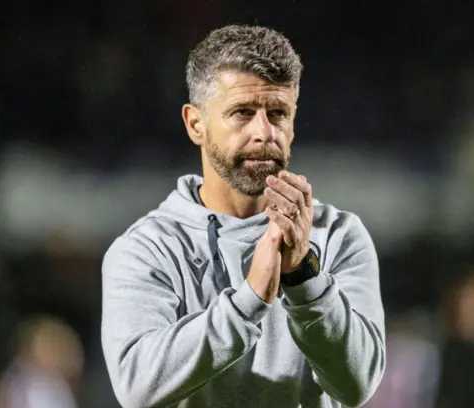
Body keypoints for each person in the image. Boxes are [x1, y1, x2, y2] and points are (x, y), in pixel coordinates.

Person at [101, 24, 385, 408]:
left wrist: (303, 276)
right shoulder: (147, 250)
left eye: (278, 113)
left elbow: (357, 385)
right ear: (195, 124)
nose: (264, 132)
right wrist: (248, 302)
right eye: (242, 113)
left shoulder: (338, 236)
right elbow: (137, 387)